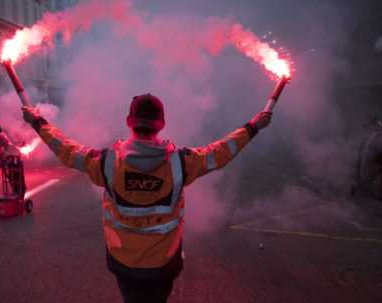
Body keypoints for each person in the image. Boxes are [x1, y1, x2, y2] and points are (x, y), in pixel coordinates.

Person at [22, 94, 272, 302]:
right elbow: (219, 153)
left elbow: (67, 150)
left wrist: (38, 122)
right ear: (160, 124)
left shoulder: (108, 162)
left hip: (123, 261)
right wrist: (252, 127)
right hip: (164, 263)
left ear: (130, 121)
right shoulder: (181, 162)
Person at [352, 119, 382, 200]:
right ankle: (355, 186)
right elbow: (377, 142)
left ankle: (380, 194)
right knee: (368, 178)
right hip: (377, 161)